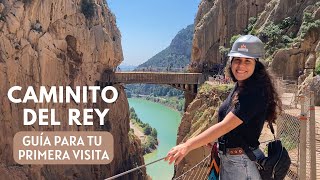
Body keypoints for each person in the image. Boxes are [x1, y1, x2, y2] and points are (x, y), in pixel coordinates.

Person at [164, 35, 282, 179]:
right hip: (232, 161)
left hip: (242, 164)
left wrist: (187, 145)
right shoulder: (241, 86)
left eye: (247, 61)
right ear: (231, 62)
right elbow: (230, 124)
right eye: (237, 60)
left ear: (256, 65)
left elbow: (225, 126)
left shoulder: (254, 93)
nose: (241, 66)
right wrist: (219, 140)